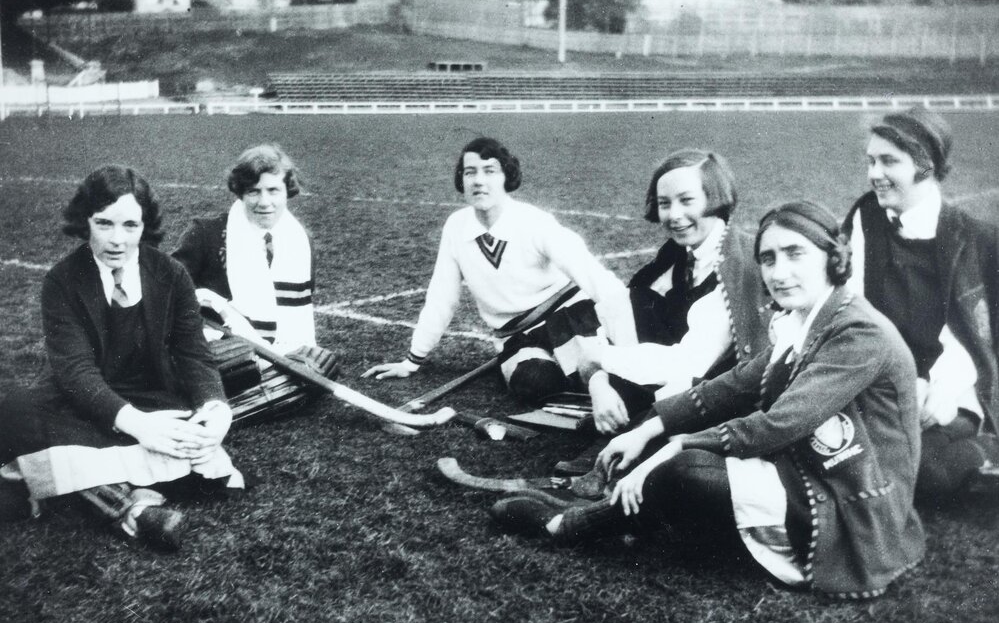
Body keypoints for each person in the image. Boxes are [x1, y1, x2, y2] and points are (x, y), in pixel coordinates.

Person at [489, 201, 925, 599]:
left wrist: (679, 444)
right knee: (675, 451)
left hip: (855, 504)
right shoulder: (807, 317)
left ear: (832, 257)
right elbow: (734, 385)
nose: (778, 272)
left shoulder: (856, 331)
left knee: (685, 467)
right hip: (813, 469)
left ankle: (570, 525)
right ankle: (611, 516)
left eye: (795, 254)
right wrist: (649, 430)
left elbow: (779, 424)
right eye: (768, 259)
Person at [0, 166, 243, 550]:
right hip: (80, 405)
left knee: (194, 451)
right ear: (86, 223)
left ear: (145, 226)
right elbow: (76, 373)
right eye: (104, 224)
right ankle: (133, 507)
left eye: (130, 225)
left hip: (153, 401)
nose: (117, 239)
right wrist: (138, 428)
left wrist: (216, 410)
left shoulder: (172, 275)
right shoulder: (62, 281)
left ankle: (101, 495)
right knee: (12, 411)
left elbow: (194, 354)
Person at [362, 136, 636, 405]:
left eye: (489, 171)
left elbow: (598, 280)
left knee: (606, 380)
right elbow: (441, 299)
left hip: (569, 318)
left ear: (506, 177)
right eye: (470, 172)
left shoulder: (534, 222)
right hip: (516, 336)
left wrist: (630, 350)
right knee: (535, 384)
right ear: (462, 180)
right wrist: (412, 360)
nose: (479, 180)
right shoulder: (456, 227)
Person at [843, 106, 999, 506]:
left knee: (923, 473)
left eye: (889, 161)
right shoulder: (865, 218)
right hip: (881, 382)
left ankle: (989, 450)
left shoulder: (979, 240)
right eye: (871, 161)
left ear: (926, 165)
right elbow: (851, 308)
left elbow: (979, 340)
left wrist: (938, 390)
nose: (874, 173)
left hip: (945, 392)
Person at [574, 149, 769, 435]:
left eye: (687, 200)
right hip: (688, 375)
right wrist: (598, 383)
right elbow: (622, 312)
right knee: (640, 301)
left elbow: (690, 363)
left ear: (715, 198)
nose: (674, 215)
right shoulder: (678, 254)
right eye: (664, 203)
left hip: (729, 393)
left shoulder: (737, 263)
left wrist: (600, 358)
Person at [172, 144, 338, 426]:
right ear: (240, 192)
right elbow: (166, 293)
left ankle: (241, 398)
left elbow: (299, 310)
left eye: (273, 190)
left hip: (274, 348)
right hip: (215, 345)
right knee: (239, 364)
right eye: (253, 191)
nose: (264, 202)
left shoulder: (300, 241)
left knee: (320, 363)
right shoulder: (206, 233)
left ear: (287, 191)